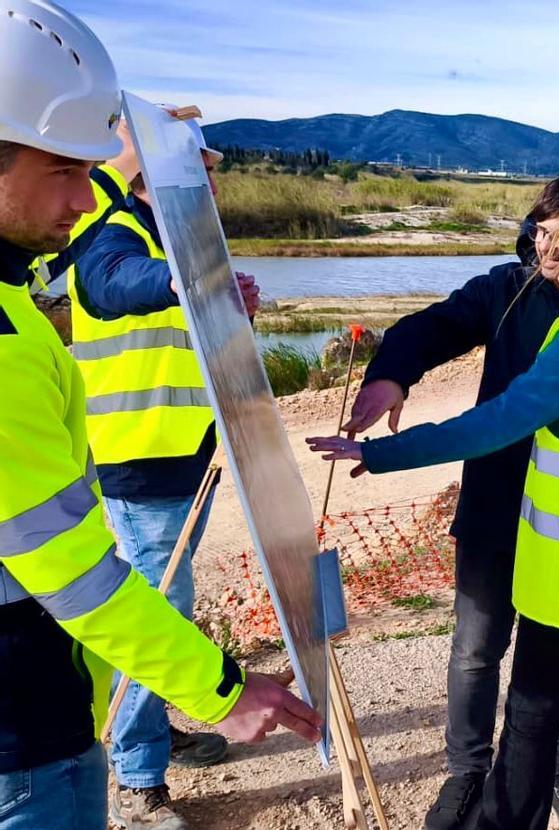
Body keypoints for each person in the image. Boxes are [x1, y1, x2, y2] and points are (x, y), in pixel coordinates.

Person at [0, 4, 322, 829]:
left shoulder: (21, 288)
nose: (84, 191)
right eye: (64, 169)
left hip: (46, 676)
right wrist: (217, 689)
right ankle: (145, 771)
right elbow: (71, 573)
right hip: (25, 712)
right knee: (154, 598)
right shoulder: (90, 259)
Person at [309, 179, 559, 829]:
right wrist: (391, 371)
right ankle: (480, 780)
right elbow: (435, 328)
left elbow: (496, 422)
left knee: (531, 710)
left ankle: (524, 804)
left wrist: (383, 455)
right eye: (545, 242)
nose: (557, 264)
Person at [339, 173, 559, 830]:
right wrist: (391, 374)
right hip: (493, 498)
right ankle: (466, 775)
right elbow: (432, 327)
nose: (544, 243)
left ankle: (556, 771)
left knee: (558, 652)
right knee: (477, 646)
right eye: (538, 228)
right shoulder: (505, 293)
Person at [71, 109, 260, 829]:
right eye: (202, 169)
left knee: (165, 599)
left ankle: (145, 737)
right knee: (156, 609)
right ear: (156, 173)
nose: (211, 181)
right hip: (139, 457)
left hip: (184, 451)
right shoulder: (117, 233)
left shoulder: (169, 238)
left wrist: (224, 303)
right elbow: (110, 282)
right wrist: (184, 283)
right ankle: (137, 777)